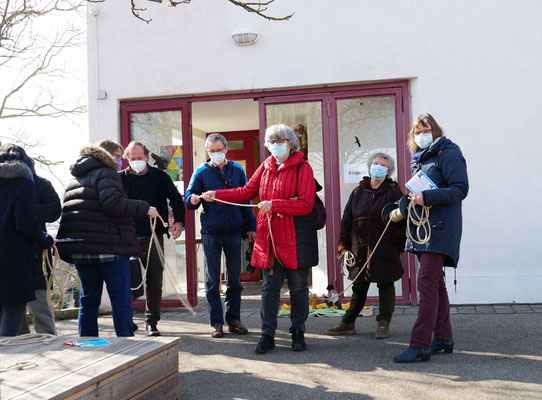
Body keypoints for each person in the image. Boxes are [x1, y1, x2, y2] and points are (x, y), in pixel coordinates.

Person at [202, 124, 318, 353]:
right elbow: (245, 191)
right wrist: (218, 195)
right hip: (269, 238)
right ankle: (267, 335)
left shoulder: (303, 168)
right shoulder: (265, 167)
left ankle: (298, 332)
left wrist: (274, 205)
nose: (275, 145)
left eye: (280, 141)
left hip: (294, 240)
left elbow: (305, 204)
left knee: (298, 288)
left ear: (291, 143)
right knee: (269, 289)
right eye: (272, 141)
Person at [56, 144, 159, 337]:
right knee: (120, 299)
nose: (120, 161)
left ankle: (88, 344)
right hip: (109, 248)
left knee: (88, 300)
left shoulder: (75, 179)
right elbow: (113, 204)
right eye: (119, 156)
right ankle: (127, 345)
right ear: (108, 156)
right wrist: (144, 207)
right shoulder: (107, 173)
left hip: (81, 249)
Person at [391, 113, 468, 363]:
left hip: (441, 229)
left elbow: (460, 190)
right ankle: (444, 337)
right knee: (435, 283)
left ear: (435, 131)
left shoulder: (449, 153)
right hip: (424, 229)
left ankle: (420, 344)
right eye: (417, 131)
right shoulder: (421, 159)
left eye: (425, 130)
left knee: (425, 283)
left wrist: (428, 198)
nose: (421, 135)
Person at [326, 153, 405, 339]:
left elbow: (403, 221)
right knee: (359, 287)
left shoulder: (394, 192)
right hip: (358, 249)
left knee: (386, 285)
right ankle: (347, 323)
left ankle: (383, 322)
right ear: (369, 167)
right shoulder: (357, 192)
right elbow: (346, 222)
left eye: (383, 165)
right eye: (376, 163)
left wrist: (395, 243)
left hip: (385, 248)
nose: (378, 167)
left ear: (389, 170)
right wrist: (343, 247)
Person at [185, 133, 257, 338]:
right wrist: (193, 199)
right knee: (211, 280)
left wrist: (251, 226)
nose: (216, 154)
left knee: (234, 280)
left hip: (234, 232)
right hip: (211, 233)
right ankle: (216, 323)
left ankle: (233, 320)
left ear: (226, 149)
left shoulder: (237, 170)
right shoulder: (200, 172)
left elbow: (246, 199)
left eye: (219, 150)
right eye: (212, 151)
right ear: (208, 151)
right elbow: (188, 198)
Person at [120, 141, 186, 337]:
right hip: (126, 236)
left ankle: (152, 322)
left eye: (140, 158)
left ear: (147, 157)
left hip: (154, 235)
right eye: (132, 159)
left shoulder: (160, 177)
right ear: (127, 159)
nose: (136, 162)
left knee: (154, 279)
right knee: (124, 280)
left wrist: (179, 223)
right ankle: (126, 319)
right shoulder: (119, 179)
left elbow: (176, 199)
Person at [6, 146, 62, 336]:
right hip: (17, 252)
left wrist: (27, 211)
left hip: (37, 252)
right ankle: (19, 343)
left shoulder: (40, 184)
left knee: (39, 303)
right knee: (13, 305)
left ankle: (48, 339)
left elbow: (55, 210)